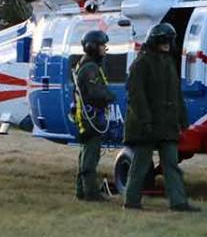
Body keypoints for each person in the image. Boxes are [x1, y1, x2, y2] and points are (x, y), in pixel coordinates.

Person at [123, 23, 199, 212]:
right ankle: (131, 201)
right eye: (163, 41)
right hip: (146, 126)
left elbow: (176, 94)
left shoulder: (168, 63)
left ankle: (178, 202)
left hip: (167, 124)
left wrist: (182, 119)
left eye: (169, 41)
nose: (166, 44)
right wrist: (145, 120)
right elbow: (136, 96)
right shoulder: (141, 63)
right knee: (140, 166)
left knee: (171, 165)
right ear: (154, 41)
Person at [72, 29, 116, 201]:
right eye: (102, 46)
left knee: (85, 153)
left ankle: (81, 191)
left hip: (85, 117)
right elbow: (96, 92)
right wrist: (110, 96)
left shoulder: (85, 65)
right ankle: (91, 193)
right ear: (93, 47)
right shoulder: (90, 68)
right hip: (90, 118)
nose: (105, 49)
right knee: (91, 155)